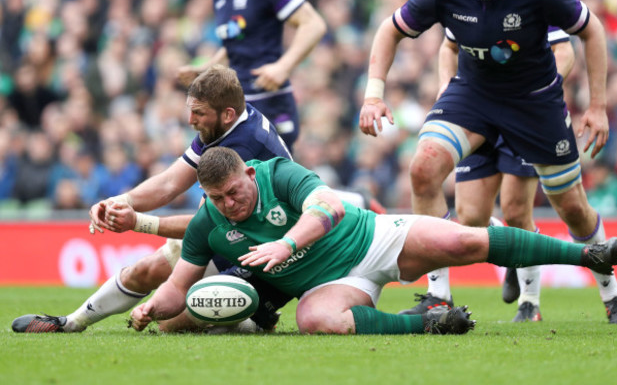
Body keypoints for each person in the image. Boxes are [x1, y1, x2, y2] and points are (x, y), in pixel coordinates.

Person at [358, 0, 617, 324]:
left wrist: (596, 107)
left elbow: (591, 31)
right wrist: (373, 94)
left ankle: (612, 294)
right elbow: (389, 29)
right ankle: (438, 298)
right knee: (422, 169)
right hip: (474, 96)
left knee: (572, 208)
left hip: (534, 104)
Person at [12, 65, 383, 334]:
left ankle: (255, 315)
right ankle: (71, 323)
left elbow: (206, 226)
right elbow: (170, 183)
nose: (190, 120)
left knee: (169, 311)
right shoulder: (226, 125)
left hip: (262, 248)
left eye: (198, 113)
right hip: (251, 239)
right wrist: (119, 200)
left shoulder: (242, 149)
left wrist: (137, 222)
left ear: (226, 113)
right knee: (154, 275)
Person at [129, 147, 617, 335]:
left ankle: (588, 254)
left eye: (234, 192)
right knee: (315, 321)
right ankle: (429, 324)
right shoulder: (207, 221)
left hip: (374, 238)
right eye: (216, 198)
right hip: (333, 282)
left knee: (464, 242)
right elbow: (180, 283)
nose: (229, 204)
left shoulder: (279, 174)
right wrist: (154, 307)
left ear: (248, 175)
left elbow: (330, 206)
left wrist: (286, 245)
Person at [399, 0, 576, 323]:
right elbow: (449, 45)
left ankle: (530, 304)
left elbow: (565, 51)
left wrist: (539, 96)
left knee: (517, 208)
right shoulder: (463, 0)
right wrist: (447, 86)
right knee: (471, 217)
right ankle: (504, 252)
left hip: (524, 111)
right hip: (477, 108)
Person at [178, 0, 327, 151]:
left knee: (270, 180)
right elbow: (236, 41)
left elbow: (314, 24)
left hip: (270, 99)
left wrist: (284, 66)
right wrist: (208, 67)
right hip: (240, 102)